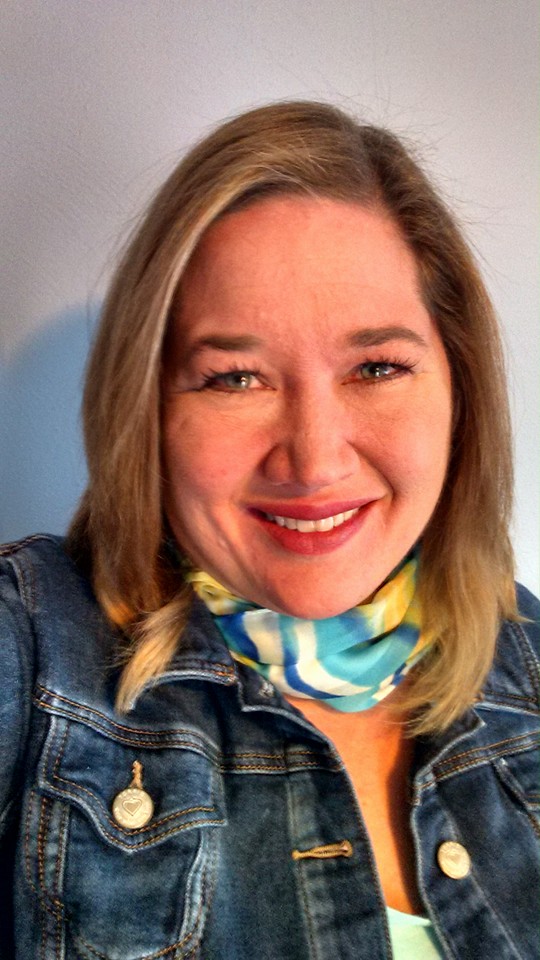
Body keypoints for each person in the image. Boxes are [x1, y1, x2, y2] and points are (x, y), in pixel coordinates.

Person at [0, 101, 538, 960]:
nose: (314, 460)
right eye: (236, 378)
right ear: (146, 407)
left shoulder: (529, 656)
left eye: (376, 367)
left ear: (459, 390)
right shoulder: (28, 647)